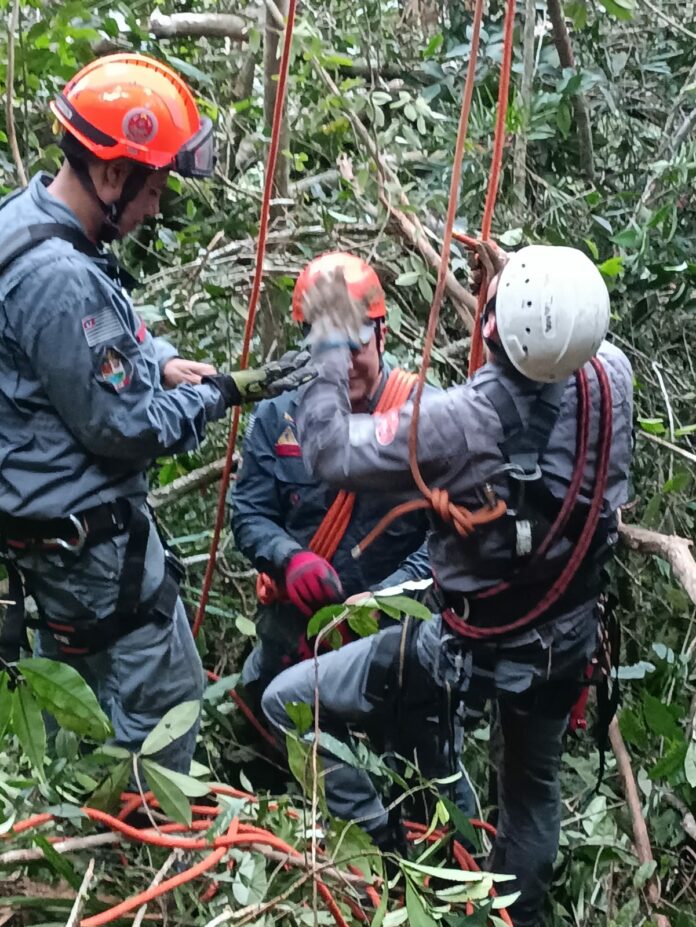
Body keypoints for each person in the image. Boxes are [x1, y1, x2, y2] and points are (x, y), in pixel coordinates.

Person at [261, 243, 634, 925]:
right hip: (564, 645)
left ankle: (385, 845)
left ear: (491, 325)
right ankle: (512, 915)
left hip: (472, 645)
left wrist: (329, 347)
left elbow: (329, 450)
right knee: (531, 796)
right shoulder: (614, 376)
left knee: (290, 699)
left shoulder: (461, 420)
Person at [0, 53, 313, 773]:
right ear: (112, 175)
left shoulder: (28, 224)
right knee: (161, 705)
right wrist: (217, 392)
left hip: (49, 541)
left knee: (79, 703)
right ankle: (144, 847)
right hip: (87, 552)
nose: (155, 208)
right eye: (154, 189)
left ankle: (84, 830)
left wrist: (163, 359)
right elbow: (125, 426)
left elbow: (93, 353)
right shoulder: (59, 278)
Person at [231, 251, 432, 702]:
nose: (341, 364)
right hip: (292, 635)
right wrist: (288, 557)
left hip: (390, 642)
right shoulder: (278, 413)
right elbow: (249, 512)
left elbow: (450, 541)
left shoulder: (424, 418)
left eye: (354, 347)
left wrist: (383, 601)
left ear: (382, 334)